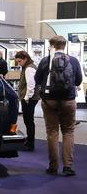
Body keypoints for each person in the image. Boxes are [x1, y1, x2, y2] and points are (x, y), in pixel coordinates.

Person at [35, 35, 82, 176]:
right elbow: (78, 81)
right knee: (68, 132)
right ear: (64, 45)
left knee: (52, 132)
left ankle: (53, 166)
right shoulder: (73, 61)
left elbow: (37, 79)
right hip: (68, 100)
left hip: (49, 101)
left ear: (52, 46)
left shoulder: (46, 61)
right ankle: (67, 166)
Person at [15, 51, 40, 151]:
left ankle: (30, 143)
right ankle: (29, 140)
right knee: (28, 120)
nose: (19, 64)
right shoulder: (28, 67)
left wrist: (26, 98)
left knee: (28, 121)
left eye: (20, 61)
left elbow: (31, 85)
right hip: (29, 98)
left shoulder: (29, 68)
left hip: (29, 98)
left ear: (25, 58)